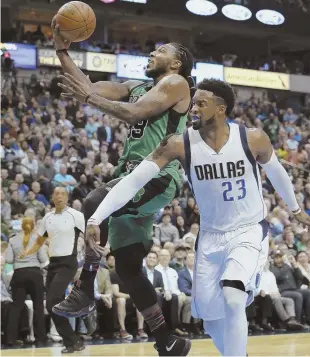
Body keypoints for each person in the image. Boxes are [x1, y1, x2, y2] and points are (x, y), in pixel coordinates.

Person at [84, 78, 310, 356]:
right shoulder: (179, 144)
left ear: (220, 109)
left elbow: (276, 172)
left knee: (232, 295)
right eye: (193, 103)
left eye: (201, 104)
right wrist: (96, 218)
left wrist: (295, 208)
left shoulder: (251, 138)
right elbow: (132, 181)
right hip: (211, 236)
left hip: (248, 230)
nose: (194, 108)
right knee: (212, 323)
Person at [51, 19, 193, 356]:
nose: (151, 53)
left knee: (94, 202)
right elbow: (88, 86)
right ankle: (167, 341)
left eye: (159, 51)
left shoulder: (177, 83)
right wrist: (62, 49)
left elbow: (135, 114)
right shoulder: (138, 85)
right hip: (129, 177)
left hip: (157, 175)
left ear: (175, 63)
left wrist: (90, 98)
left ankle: (84, 288)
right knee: (129, 268)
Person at [20, 187, 86, 353]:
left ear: (67, 197)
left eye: (62, 193)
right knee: (53, 306)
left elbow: (89, 236)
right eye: (56, 193)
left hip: (68, 263)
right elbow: (39, 241)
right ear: (52, 197)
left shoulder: (76, 215)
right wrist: (27, 252)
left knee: (52, 301)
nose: (59, 196)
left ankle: (72, 340)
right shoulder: (47, 218)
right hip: (53, 264)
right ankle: (73, 341)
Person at [4, 216, 48, 346]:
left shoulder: (13, 240)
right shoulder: (38, 239)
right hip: (35, 274)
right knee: (38, 307)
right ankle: (41, 338)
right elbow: (42, 258)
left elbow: (9, 260)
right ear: (33, 225)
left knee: (16, 307)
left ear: (21, 225)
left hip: (19, 275)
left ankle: (10, 339)